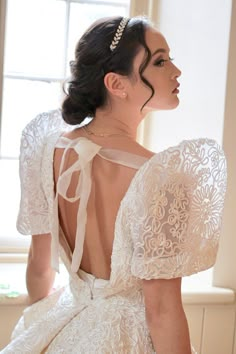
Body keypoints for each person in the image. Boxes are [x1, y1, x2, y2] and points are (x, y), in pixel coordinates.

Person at [2, 16, 226, 354]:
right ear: (117, 84)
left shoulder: (48, 148)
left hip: (65, 324)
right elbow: (163, 311)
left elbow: (39, 266)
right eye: (160, 61)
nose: (176, 72)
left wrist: (44, 329)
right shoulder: (162, 175)